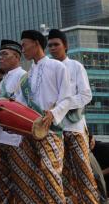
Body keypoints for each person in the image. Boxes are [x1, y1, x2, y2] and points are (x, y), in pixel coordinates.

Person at [17, 29, 72, 203]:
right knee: (30, 177)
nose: (22, 49)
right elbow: (20, 103)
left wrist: (53, 114)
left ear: (36, 43)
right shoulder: (28, 75)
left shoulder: (57, 67)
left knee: (51, 174)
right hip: (28, 131)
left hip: (51, 130)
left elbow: (67, 98)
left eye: (24, 45)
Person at [48, 28, 98, 203]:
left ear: (66, 46)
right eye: (50, 45)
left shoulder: (76, 66)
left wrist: (64, 103)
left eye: (56, 44)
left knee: (83, 170)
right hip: (55, 131)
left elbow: (86, 95)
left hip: (75, 128)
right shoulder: (49, 69)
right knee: (63, 175)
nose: (52, 48)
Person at [0, 39, 36, 203]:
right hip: (0, 139)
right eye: (0, 54)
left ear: (16, 57)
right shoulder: (5, 79)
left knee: (21, 184)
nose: (0, 58)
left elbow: (31, 106)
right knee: (2, 185)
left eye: (4, 54)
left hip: (16, 140)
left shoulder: (24, 76)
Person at [89, 133, 108, 203]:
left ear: (93, 137)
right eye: (88, 143)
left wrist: (99, 174)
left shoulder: (104, 147)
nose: (90, 144)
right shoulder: (89, 151)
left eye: (91, 141)